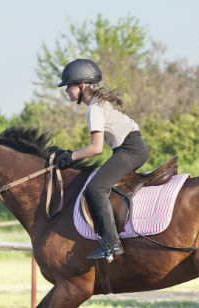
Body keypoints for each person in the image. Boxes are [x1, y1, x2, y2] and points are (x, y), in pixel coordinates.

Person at [52, 58, 149, 262]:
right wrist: (72, 154)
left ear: (82, 85)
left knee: (96, 188)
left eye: (69, 86)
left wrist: (70, 157)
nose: (66, 91)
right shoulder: (98, 103)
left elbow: (96, 149)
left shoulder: (94, 108)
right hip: (132, 147)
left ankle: (111, 243)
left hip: (130, 150)